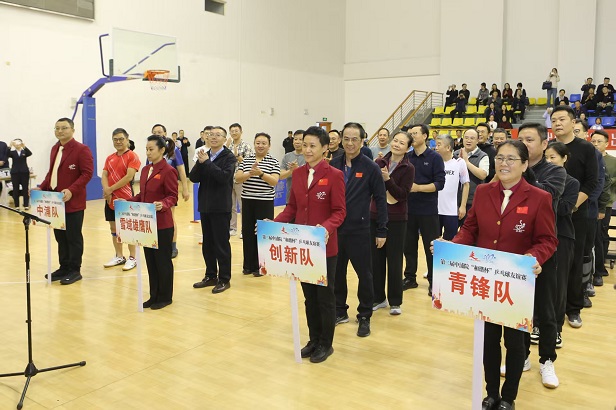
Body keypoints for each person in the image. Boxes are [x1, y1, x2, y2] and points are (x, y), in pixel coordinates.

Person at [452, 140, 557, 410]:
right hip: (486, 279)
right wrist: (453, 246)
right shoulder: (484, 191)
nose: (504, 164)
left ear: (524, 164)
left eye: (511, 159)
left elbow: (547, 240)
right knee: (488, 339)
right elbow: (470, 228)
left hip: (516, 282)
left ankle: (508, 397)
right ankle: (491, 393)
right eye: (500, 158)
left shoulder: (539, 197)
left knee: (514, 342)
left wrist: (534, 257)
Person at [274, 126, 346, 364]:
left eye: (312, 146)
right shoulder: (297, 174)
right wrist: (273, 224)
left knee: (325, 298)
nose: (307, 150)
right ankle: (314, 339)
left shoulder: (334, 175)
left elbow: (339, 212)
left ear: (325, 148)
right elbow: (292, 208)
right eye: (304, 145)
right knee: (309, 298)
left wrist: (325, 228)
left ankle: (326, 343)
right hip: (302, 247)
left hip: (324, 247)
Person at [517, 123, 566, 389]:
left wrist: (523, 171)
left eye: (530, 140)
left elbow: (546, 193)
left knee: (545, 310)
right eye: (521, 139)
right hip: (516, 249)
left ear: (544, 144)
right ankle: (521, 355)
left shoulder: (555, 171)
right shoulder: (511, 169)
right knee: (518, 308)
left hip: (543, 249)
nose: (524, 144)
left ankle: (547, 360)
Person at [330, 122, 388, 338]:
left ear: (363, 141)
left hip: (360, 230)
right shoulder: (334, 164)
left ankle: (364, 315)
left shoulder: (370, 167)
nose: (350, 143)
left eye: (355, 139)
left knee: (364, 274)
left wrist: (382, 230)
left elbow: (381, 200)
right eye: (346, 139)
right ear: (341, 140)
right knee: (337, 273)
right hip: (336, 231)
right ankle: (339, 310)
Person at [552, 106, 598, 329]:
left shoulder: (586, 148)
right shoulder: (549, 148)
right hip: (550, 214)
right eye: (554, 120)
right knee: (551, 261)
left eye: (562, 119)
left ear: (573, 122)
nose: (557, 123)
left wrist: (572, 205)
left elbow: (592, 181)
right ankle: (552, 307)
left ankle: (573, 308)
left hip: (576, 214)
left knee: (574, 261)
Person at [124, 135, 178, 309]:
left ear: (161, 150)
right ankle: (154, 295)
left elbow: (172, 196)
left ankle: (165, 297)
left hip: (162, 224)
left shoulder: (169, 170)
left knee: (162, 262)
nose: (148, 152)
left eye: (151, 149)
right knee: (151, 262)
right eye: (146, 149)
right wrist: (128, 201)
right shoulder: (146, 169)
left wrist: (163, 204)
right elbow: (142, 195)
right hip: (147, 224)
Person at [38, 117, 94, 285]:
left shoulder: (82, 149)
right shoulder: (55, 148)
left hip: (72, 202)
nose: (60, 131)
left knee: (73, 237)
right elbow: (52, 173)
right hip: (55, 202)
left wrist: (71, 190)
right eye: (57, 128)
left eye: (64, 128)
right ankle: (64, 267)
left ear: (73, 130)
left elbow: (87, 174)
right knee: (60, 237)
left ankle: (75, 270)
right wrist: (41, 187)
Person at [371, 131, 415, 316]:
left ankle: (395, 301)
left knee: (395, 260)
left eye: (402, 143)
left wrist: (388, 180)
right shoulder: (379, 162)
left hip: (397, 219)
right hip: (375, 216)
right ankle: (378, 298)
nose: (397, 144)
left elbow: (402, 194)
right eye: (395, 140)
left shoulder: (408, 168)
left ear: (408, 148)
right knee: (376, 260)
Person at [190, 126, 237, 294]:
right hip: (205, 206)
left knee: (221, 244)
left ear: (225, 139)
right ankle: (210, 275)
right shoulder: (204, 155)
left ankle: (224, 279)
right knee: (208, 244)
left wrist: (208, 163)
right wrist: (200, 162)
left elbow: (224, 177)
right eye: (211, 135)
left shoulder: (229, 157)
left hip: (221, 207)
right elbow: (193, 177)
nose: (214, 137)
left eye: (218, 135)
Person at [402, 124, 445, 295]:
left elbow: (440, 184)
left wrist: (418, 188)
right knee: (408, 245)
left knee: (431, 247)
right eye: (410, 134)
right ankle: (410, 277)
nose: (412, 136)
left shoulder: (435, 157)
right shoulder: (407, 157)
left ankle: (434, 280)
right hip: (408, 209)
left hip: (428, 209)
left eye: (415, 133)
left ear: (425, 136)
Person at [544, 141, 579, 350]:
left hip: (562, 236)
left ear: (564, 159)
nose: (549, 161)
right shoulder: (539, 177)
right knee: (538, 283)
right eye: (546, 157)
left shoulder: (572, 182)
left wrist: (540, 201)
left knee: (558, 284)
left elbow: (565, 208)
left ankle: (556, 328)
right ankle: (537, 324)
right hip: (539, 235)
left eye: (553, 157)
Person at [235, 133, 280, 276]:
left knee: (263, 233)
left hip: (265, 202)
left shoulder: (273, 161)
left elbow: (274, 181)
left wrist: (260, 173)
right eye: (258, 143)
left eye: (264, 143)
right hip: (247, 200)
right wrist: (250, 173)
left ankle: (262, 267)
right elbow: (237, 178)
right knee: (248, 232)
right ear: (254, 144)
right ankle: (248, 265)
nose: (260, 146)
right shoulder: (247, 160)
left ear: (269, 146)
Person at [102, 128, 141, 271]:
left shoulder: (132, 156)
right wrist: (107, 190)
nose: (118, 142)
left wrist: (110, 189)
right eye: (115, 139)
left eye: (121, 139)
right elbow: (104, 175)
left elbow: (129, 177)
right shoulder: (110, 158)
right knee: (113, 228)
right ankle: (119, 256)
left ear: (127, 139)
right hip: (110, 199)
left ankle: (133, 257)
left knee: (128, 228)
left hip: (126, 198)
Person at [152, 124, 190, 258]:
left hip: (168, 190)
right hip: (154, 191)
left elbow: (181, 170)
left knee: (169, 217)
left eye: (159, 132)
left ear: (165, 133)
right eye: (154, 132)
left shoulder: (173, 150)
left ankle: (173, 246)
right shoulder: (151, 150)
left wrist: (185, 188)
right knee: (155, 219)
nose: (157, 134)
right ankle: (157, 243)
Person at [590, 130, 616, 286]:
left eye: (599, 141)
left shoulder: (612, 161)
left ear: (606, 143)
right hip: (589, 202)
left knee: (600, 235)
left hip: (605, 203)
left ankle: (600, 269)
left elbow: (607, 184)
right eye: (593, 141)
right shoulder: (589, 158)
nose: (595, 144)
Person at [435, 134, 469, 240]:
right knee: (433, 241)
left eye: (439, 145)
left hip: (451, 210)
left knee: (450, 240)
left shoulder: (459, 162)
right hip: (434, 210)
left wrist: (463, 206)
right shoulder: (434, 162)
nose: (436, 148)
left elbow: (466, 184)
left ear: (448, 147)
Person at [453, 128, 488, 220]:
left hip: (473, 200)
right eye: (466, 138)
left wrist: (466, 162)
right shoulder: (455, 154)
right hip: (455, 199)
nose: (468, 140)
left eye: (472, 138)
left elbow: (482, 175)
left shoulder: (483, 156)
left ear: (477, 140)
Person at [228, 123, 255, 236]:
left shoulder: (246, 146)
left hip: (241, 179)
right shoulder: (228, 146)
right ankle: (232, 228)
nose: (234, 133)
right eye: (232, 131)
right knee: (231, 205)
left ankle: (245, 229)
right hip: (229, 179)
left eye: (236, 131)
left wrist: (238, 156)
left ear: (241, 132)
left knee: (243, 206)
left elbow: (249, 164)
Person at [280, 129, 306, 203]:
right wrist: (291, 171)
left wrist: (297, 170)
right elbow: (281, 176)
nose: (297, 142)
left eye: (300, 139)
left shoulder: (309, 156)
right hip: (290, 198)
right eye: (295, 139)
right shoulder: (287, 156)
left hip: (306, 199)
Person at [7, 138, 32, 210]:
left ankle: (26, 205)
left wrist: (24, 146)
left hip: (24, 172)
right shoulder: (12, 152)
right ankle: (17, 205)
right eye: (15, 144)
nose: (17, 145)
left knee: (25, 189)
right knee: (15, 189)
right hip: (15, 173)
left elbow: (30, 153)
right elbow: (7, 154)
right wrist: (10, 146)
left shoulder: (24, 152)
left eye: (19, 143)